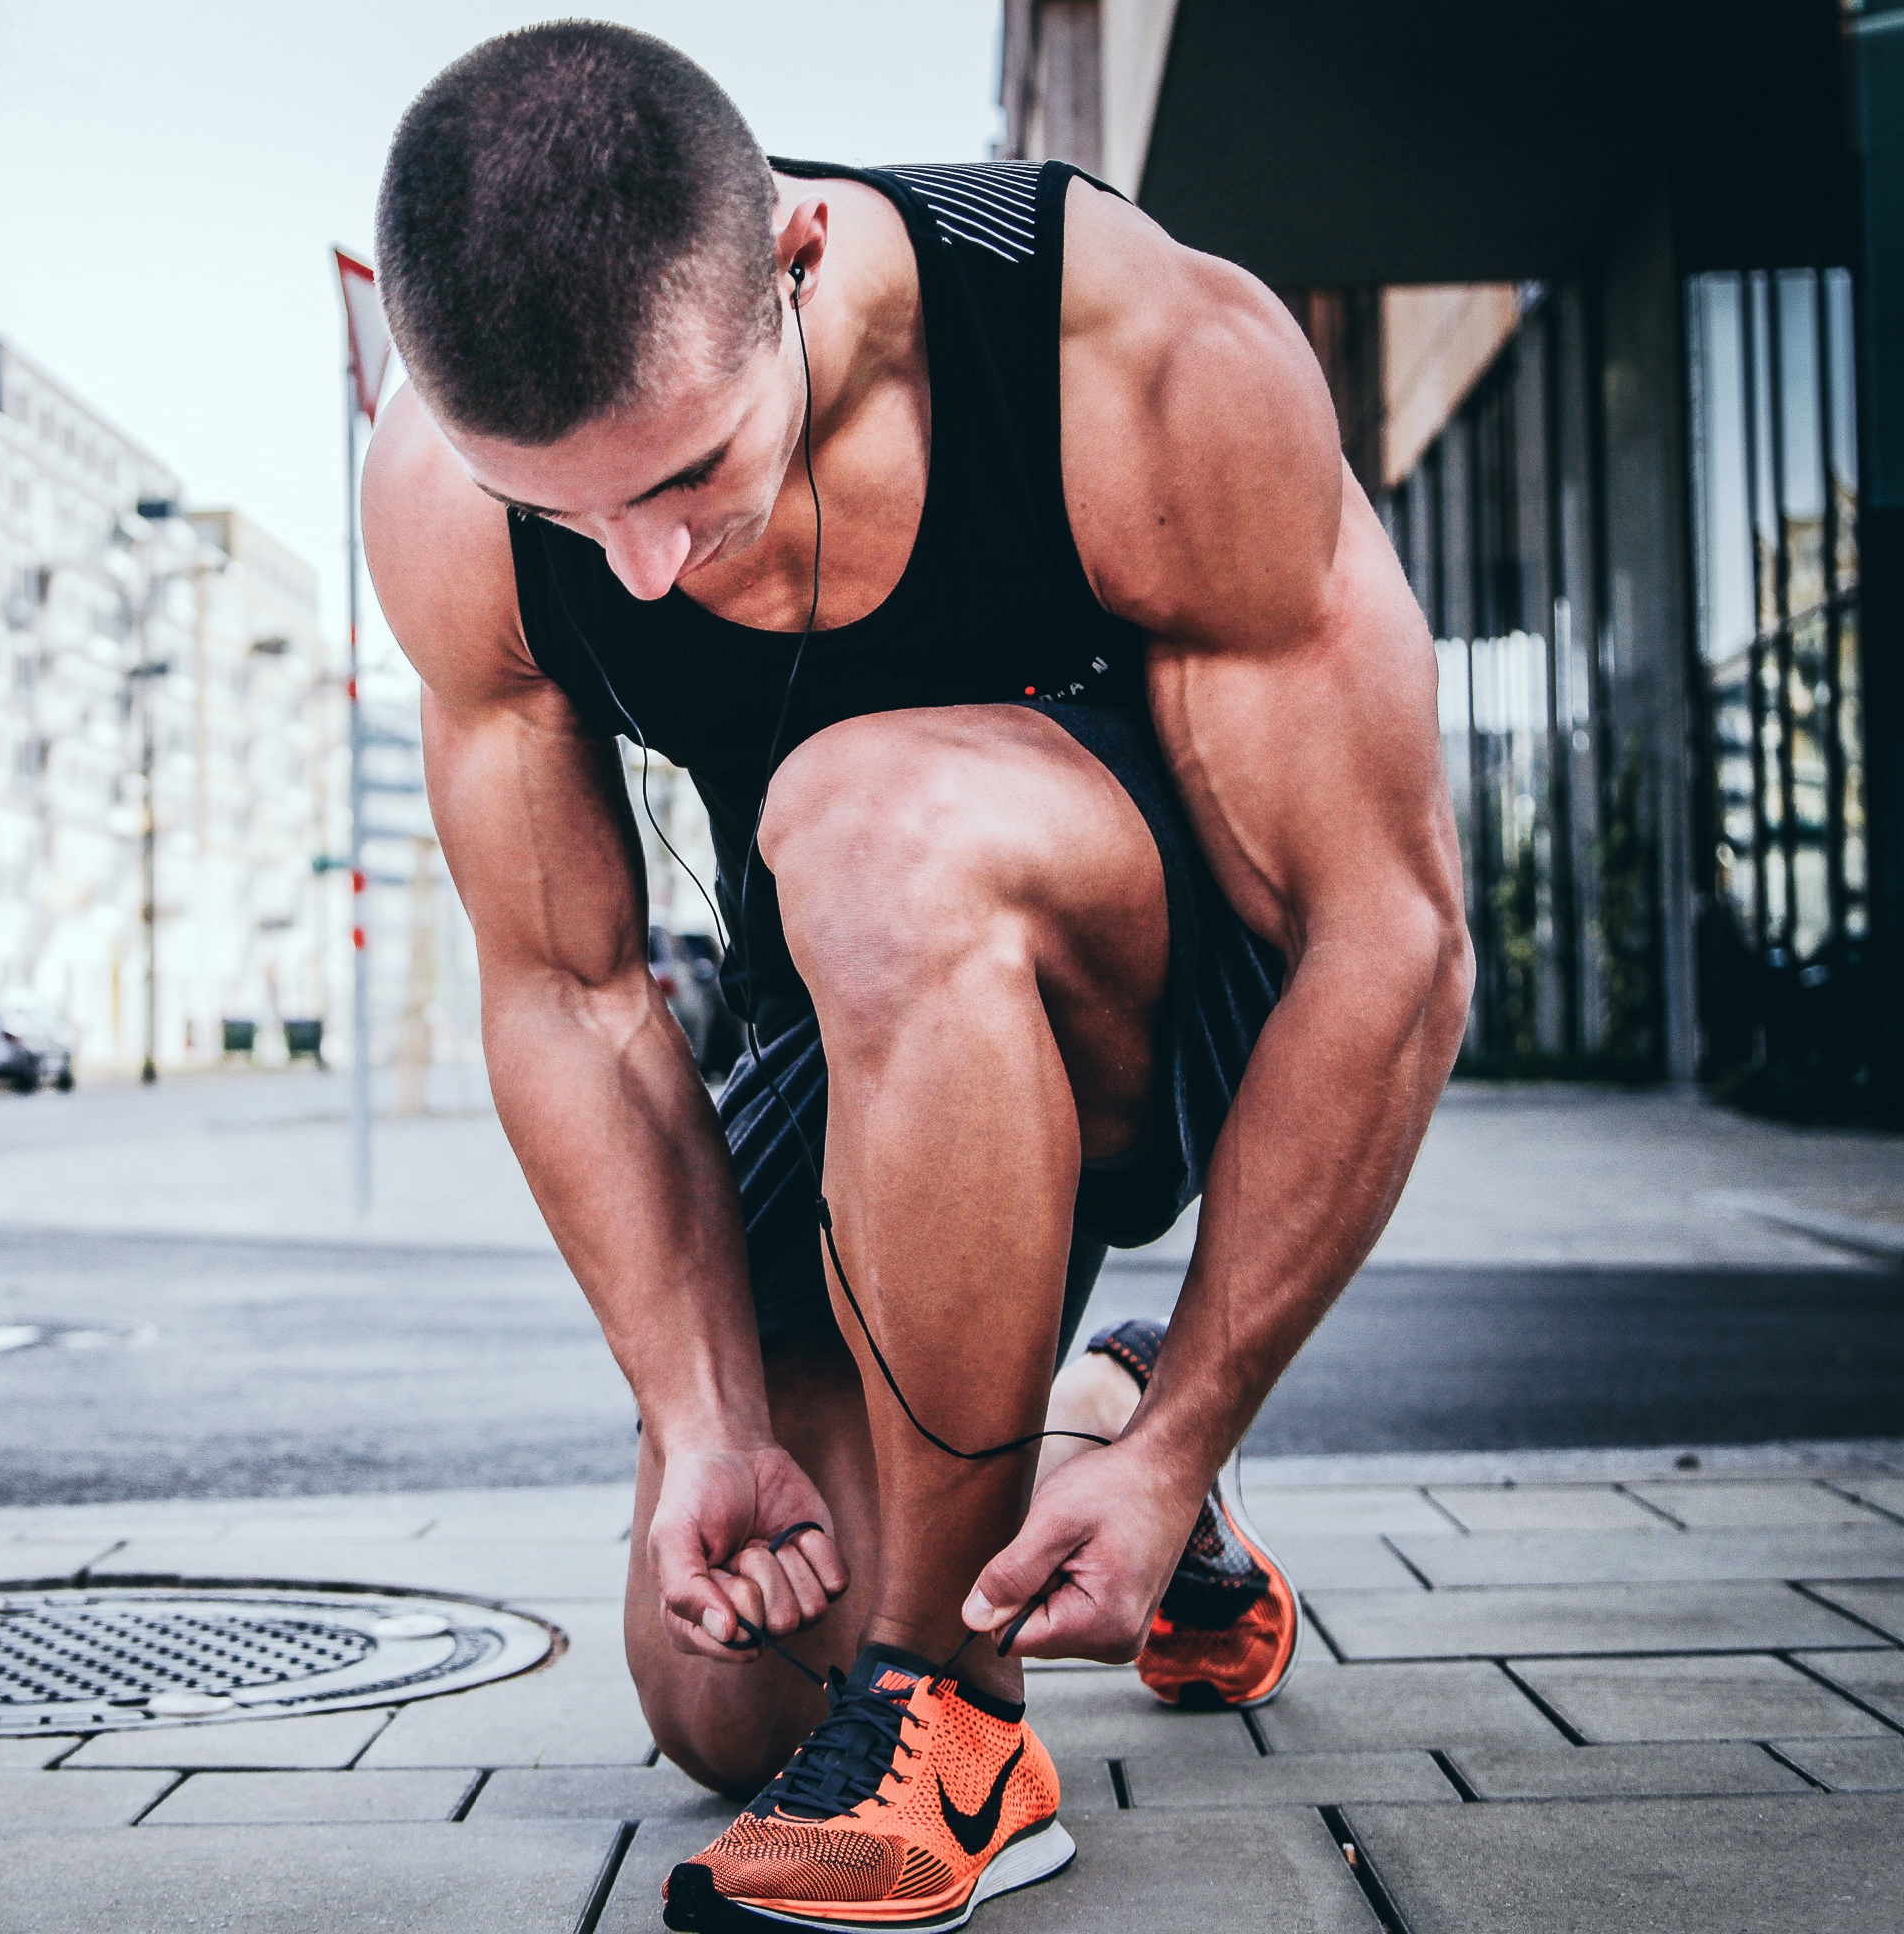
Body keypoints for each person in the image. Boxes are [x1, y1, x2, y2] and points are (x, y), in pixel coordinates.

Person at [363, 23, 1471, 1932]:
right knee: (725, 1692)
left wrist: (1220, 1397)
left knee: (865, 818)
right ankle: (1085, 1446)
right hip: (854, 1011)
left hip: (1162, 985)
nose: (635, 569)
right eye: (569, 516)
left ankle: (955, 1726)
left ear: (797, 259)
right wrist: (703, 1417)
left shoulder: (1123, 350)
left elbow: (1394, 936)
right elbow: (573, 992)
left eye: (690, 474)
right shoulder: (451, 491)